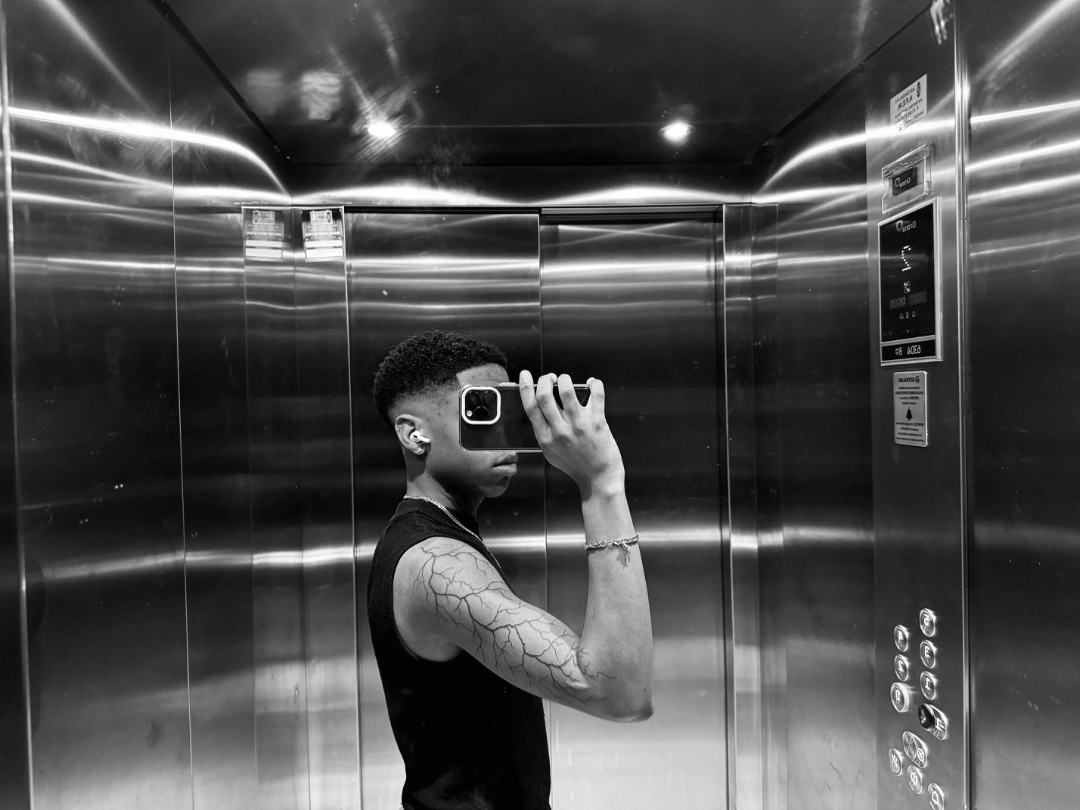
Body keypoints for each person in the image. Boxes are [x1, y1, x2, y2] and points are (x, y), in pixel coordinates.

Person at [367, 329, 654, 810]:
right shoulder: (435, 563)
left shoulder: (440, 537)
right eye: (482, 410)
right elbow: (619, 693)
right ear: (414, 434)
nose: (506, 433)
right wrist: (602, 483)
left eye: (511, 410)